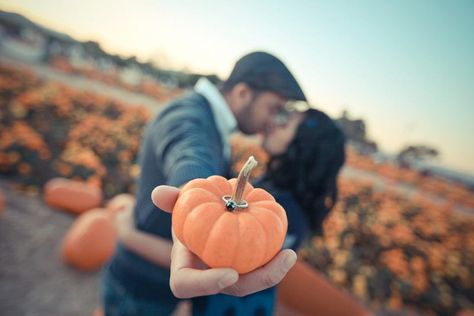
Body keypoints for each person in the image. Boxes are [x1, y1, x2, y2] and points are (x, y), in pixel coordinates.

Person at [102, 51, 307, 315]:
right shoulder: (189, 117)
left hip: (153, 282)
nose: (272, 121)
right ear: (243, 93)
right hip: (139, 287)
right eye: (273, 109)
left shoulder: (211, 119)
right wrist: (192, 195)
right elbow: (190, 157)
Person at [113, 108, 346, 315]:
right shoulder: (272, 191)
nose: (274, 122)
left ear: (304, 146)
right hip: (220, 297)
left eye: (285, 123)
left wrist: (128, 235)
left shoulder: (288, 212)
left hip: (235, 307)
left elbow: (212, 256)